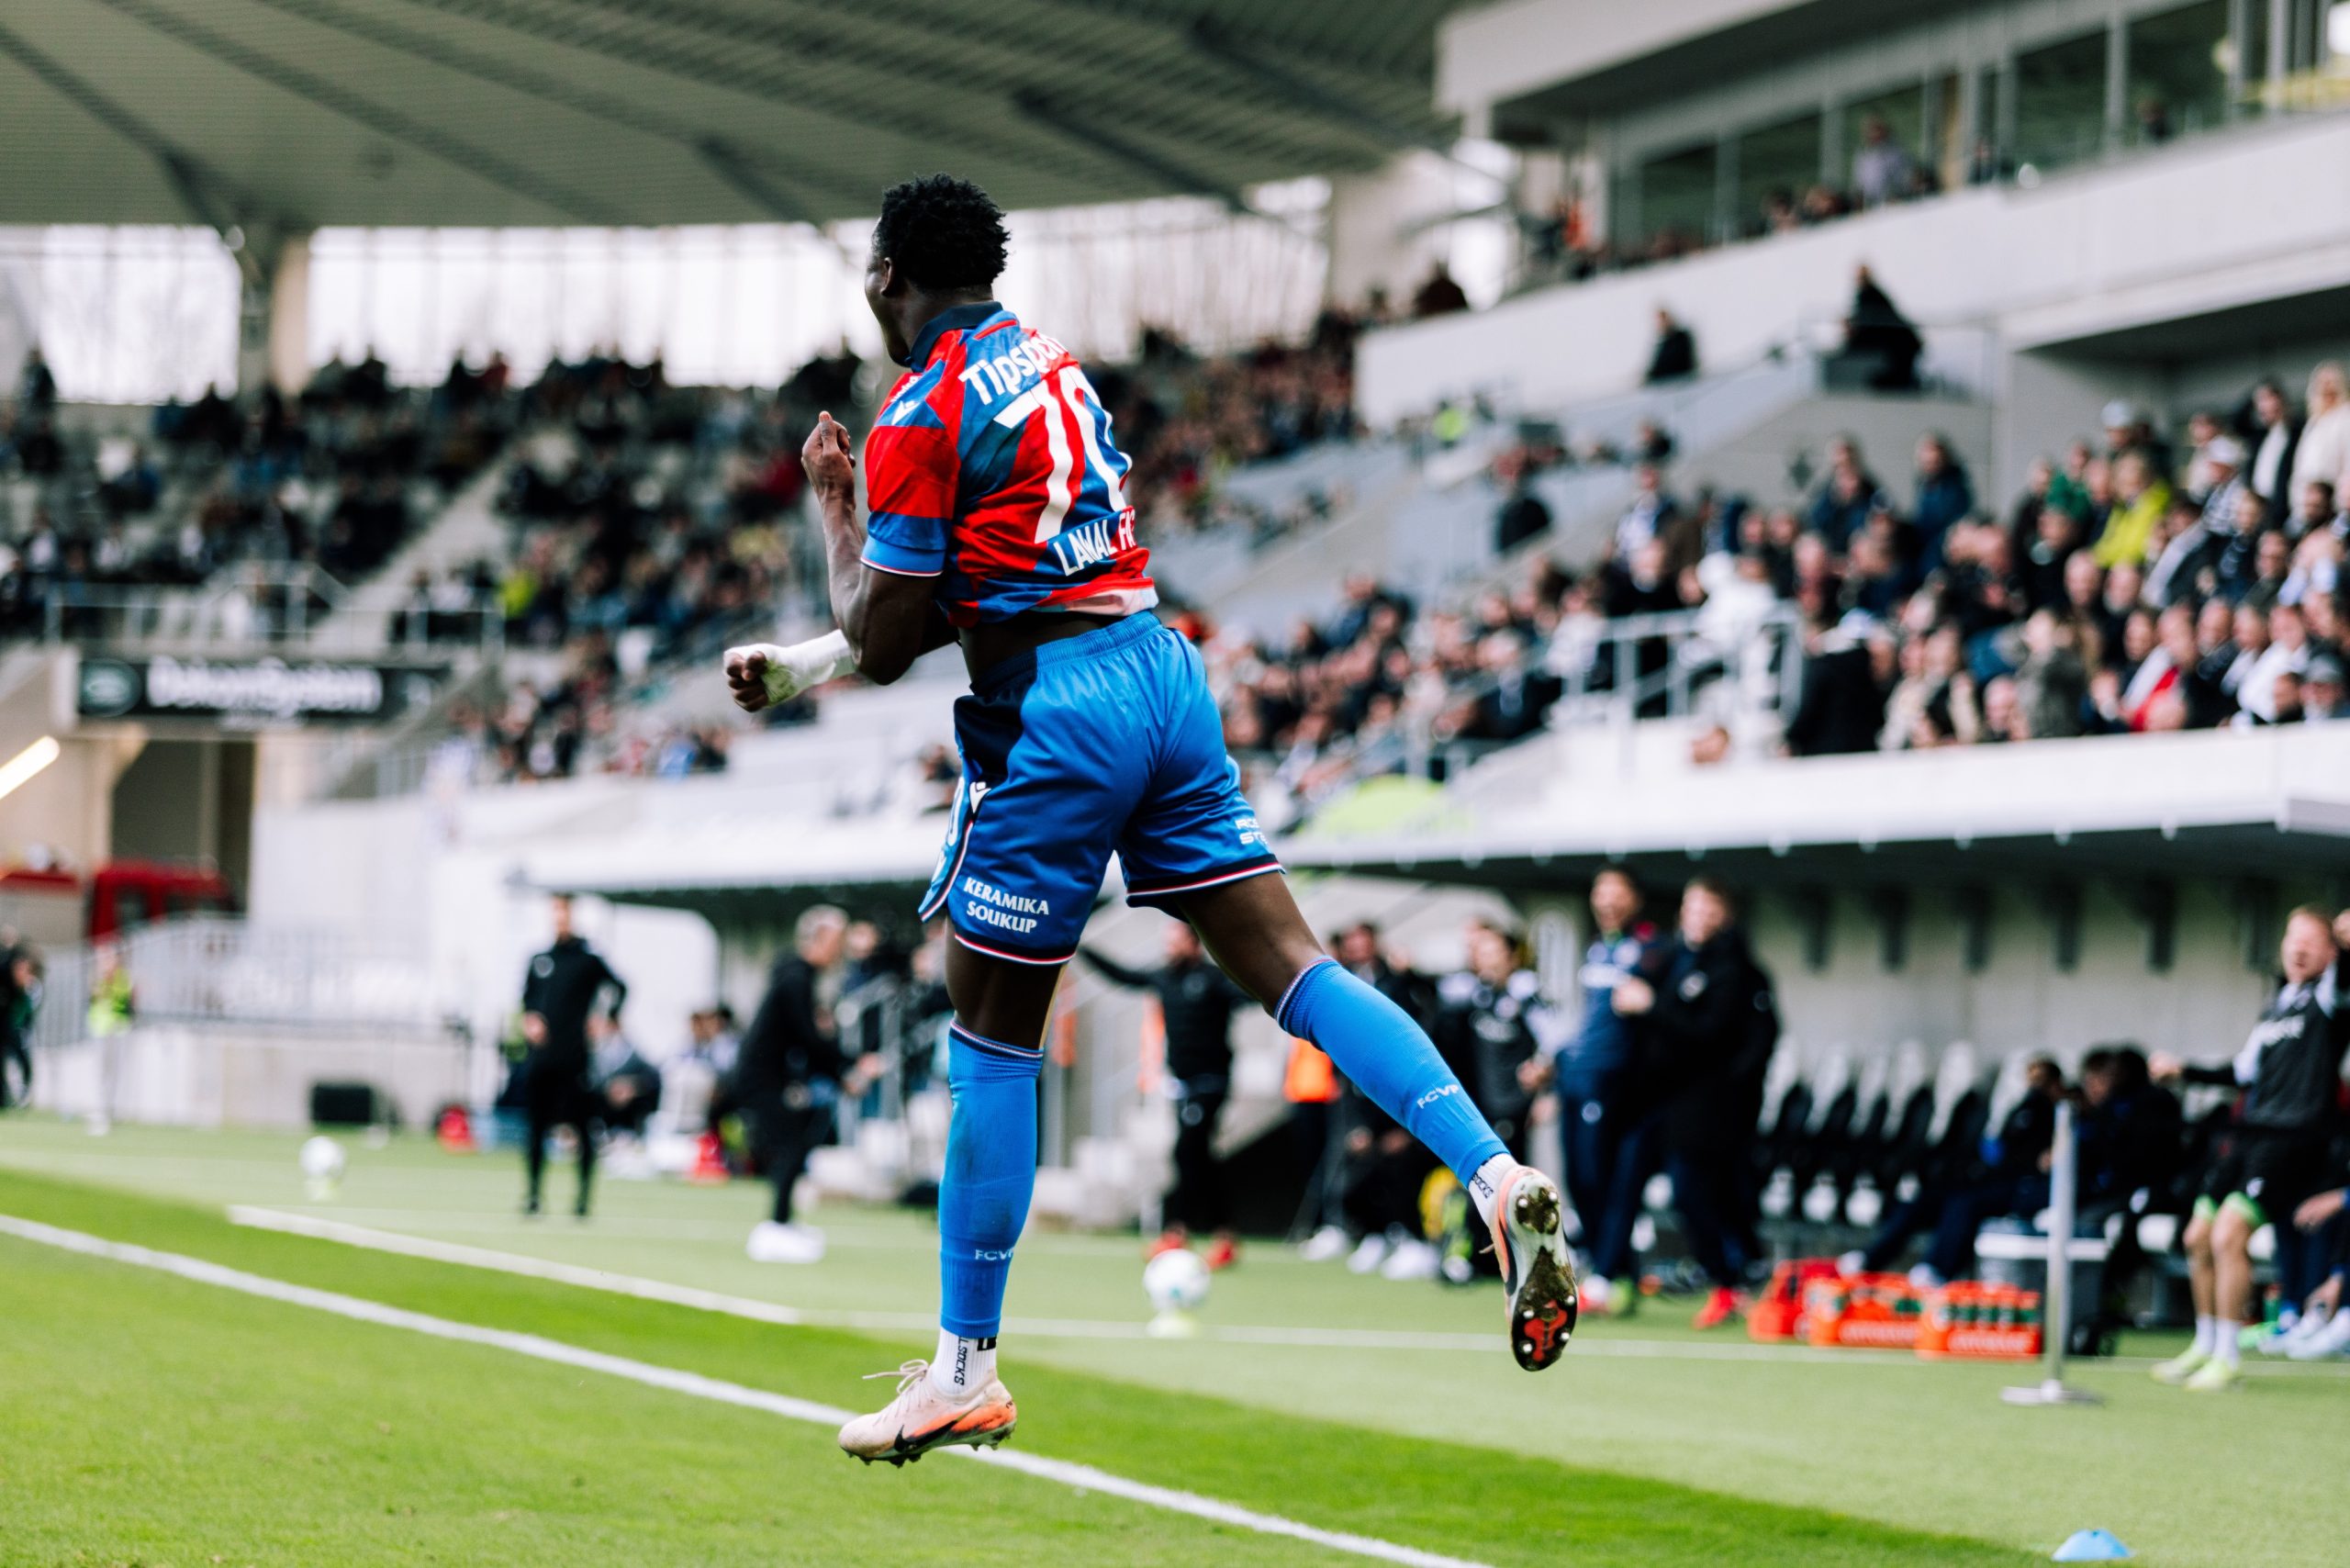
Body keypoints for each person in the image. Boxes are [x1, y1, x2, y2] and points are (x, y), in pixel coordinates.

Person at [725, 175, 1576, 1467]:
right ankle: (1493, 1172)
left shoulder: (918, 411)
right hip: (1158, 670)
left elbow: (889, 636)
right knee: (1294, 964)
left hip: (1055, 711)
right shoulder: (1052, 366)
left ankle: (962, 1371)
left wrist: (835, 507)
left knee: (991, 1033)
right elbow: (992, 580)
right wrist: (800, 666)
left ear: (890, 274)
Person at [2150, 906, 2350, 1391]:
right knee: (2197, 1236)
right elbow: (2243, 1071)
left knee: (2229, 1234)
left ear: (2329, 953)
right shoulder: (2276, 1005)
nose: (2299, 948)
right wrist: (2184, 1071)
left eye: (2312, 941)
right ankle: (2204, 1343)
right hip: (2248, 1136)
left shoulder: (2331, 1001)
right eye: (2292, 938)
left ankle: (2227, 1356)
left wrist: (2348, 944)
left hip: (2292, 1142)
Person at [1611, 878, 1777, 1329]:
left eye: (1709, 909)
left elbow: (1708, 1035)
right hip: (1657, 1100)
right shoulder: (1670, 957)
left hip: (1706, 1107)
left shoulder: (1732, 969)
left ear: (1724, 916)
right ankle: (1609, 1274)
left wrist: (1651, 1006)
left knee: (1698, 1192)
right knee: (1625, 1178)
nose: (1699, 917)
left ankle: (1730, 1279)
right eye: (1693, 907)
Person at [1522, 868, 1662, 1316]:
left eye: (1617, 892)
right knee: (1579, 1180)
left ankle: (1608, 1272)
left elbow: (1658, 1011)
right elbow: (1585, 1021)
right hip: (1575, 1079)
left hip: (1612, 1083)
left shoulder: (1649, 948)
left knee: (1603, 1178)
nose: (1607, 901)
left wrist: (1650, 999)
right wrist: (1554, 1067)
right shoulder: (1598, 947)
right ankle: (1612, 1268)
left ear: (1635, 898)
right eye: (1601, 892)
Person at [1078, 920, 1251, 1269]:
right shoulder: (1163, 977)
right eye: (1167, 941)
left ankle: (1178, 1231)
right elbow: (1123, 975)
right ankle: (1223, 1235)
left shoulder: (1214, 979)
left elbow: (1250, 995)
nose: (1169, 947)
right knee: (1199, 1156)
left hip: (1211, 1082)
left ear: (1195, 944)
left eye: (1176, 941)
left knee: (1186, 1151)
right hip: (1181, 1084)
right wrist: (1079, 947)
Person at [737, 905, 878, 1264]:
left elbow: (809, 1041)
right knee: (791, 1146)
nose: (841, 949)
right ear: (819, 939)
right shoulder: (795, 979)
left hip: (772, 1076)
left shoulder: (797, 975)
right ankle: (775, 1229)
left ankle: (782, 1224)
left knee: (796, 1144)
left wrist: (843, 1072)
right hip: (762, 1077)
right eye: (837, 940)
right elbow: (809, 1038)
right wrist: (848, 1068)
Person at [516, 894, 625, 1218]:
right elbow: (527, 1001)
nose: (560, 918)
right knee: (536, 1128)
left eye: (565, 912)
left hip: (575, 1059)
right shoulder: (540, 959)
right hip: (542, 1059)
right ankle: (534, 1195)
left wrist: (606, 1018)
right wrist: (530, 1020)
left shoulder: (588, 960)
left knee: (582, 1128)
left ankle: (582, 1199)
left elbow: (620, 987)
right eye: (556, 912)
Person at [1644, 309, 1696, 384]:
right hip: (1668, 383)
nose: (1661, 324)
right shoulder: (1663, 345)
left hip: (1681, 381)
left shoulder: (1681, 339)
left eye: (1663, 320)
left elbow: (1670, 364)